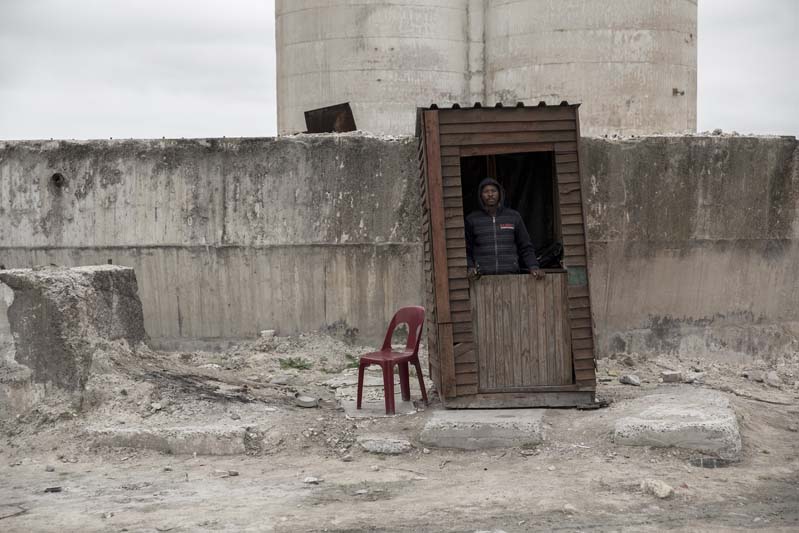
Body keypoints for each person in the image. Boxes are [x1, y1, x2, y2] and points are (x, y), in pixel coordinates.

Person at [465, 178, 544, 280]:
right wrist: (470, 267)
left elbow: (525, 246)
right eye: (486, 191)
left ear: (500, 194)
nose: (490, 194)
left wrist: (533, 266)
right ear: (480, 195)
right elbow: (467, 249)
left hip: (511, 278)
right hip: (482, 279)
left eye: (493, 191)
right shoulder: (472, 219)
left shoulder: (513, 216)